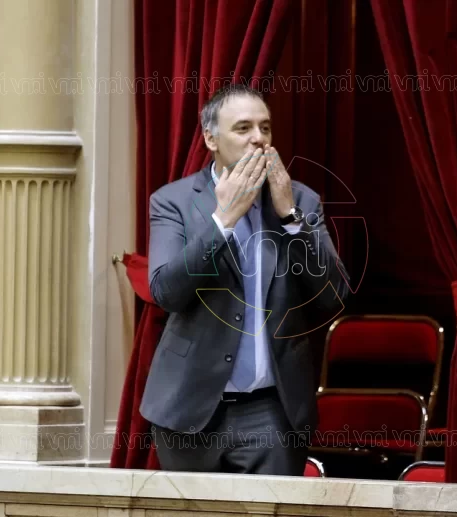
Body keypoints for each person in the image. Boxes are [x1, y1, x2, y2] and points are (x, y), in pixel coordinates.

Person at [139, 84, 349, 476]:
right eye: (243, 128)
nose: (258, 138)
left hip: (271, 411)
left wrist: (290, 219)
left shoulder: (301, 201)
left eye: (265, 128)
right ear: (211, 139)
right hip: (189, 407)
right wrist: (223, 221)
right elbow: (166, 292)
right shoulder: (173, 201)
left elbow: (333, 295)